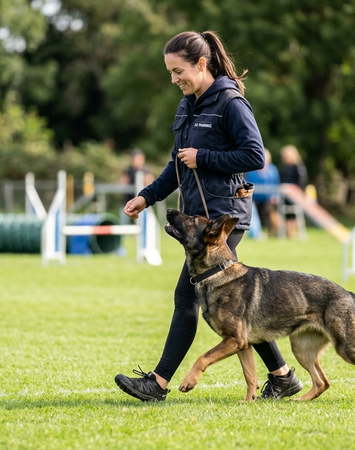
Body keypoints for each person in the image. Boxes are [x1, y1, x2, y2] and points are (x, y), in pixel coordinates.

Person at [114, 30, 303, 402]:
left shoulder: (231, 102)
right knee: (236, 306)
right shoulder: (187, 105)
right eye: (169, 72)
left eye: (178, 70)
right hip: (197, 215)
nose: (174, 79)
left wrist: (205, 158)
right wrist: (146, 196)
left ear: (202, 64)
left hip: (223, 218)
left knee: (187, 297)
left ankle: (158, 382)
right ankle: (281, 376)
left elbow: (255, 156)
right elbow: (176, 165)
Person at [245, 150, 280, 237]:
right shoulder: (252, 169)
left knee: (270, 212)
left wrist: (275, 196)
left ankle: (272, 231)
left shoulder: (273, 170)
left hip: (268, 198)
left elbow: (276, 184)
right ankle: (256, 232)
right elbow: (248, 182)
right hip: (254, 198)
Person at [278, 145, 308, 239]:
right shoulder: (284, 168)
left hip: (296, 195)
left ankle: (291, 232)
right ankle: (287, 232)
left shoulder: (299, 168)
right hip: (285, 195)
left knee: (294, 213)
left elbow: (302, 182)